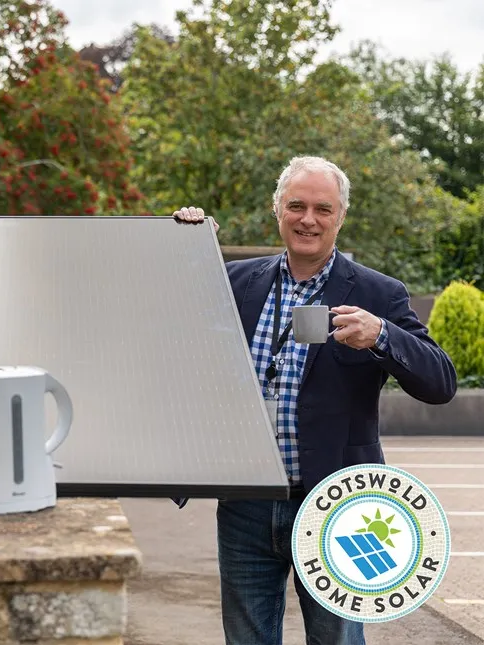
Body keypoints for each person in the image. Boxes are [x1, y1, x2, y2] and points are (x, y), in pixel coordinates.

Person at [173, 155, 457, 645]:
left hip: (337, 506)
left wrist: (382, 334)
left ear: (340, 217)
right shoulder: (233, 282)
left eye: (323, 209)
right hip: (246, 502)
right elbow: (168, 329)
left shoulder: (378, 293)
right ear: (277, 210)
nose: (308, 219)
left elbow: (441, 383)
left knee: (336, 641)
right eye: (296, 206)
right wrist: (183, 246)